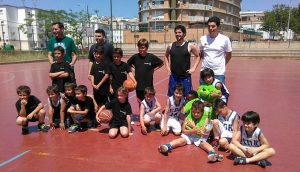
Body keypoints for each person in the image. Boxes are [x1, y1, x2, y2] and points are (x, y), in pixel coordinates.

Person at [158, 100, 224, 162]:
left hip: (199, 137)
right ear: (191, 111)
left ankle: (213, 153)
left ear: (202, 112)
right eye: (194, 112)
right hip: (189, 135)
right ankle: (167, 146)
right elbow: (183, 131)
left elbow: (202, 131)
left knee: (203, 143)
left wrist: (192, 126)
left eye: (198, 113)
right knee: (182, 140)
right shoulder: (187, 118)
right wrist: (192, 131)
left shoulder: (205, 119)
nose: (195, 114)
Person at [164, 25, 201, 97]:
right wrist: (168, 68)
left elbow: (198, 56)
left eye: (179, 32)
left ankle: (185, 108)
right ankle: (172, 108)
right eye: (176, 32)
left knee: (187, 96)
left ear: (184, 34)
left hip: (185, 77)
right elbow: (166, 56)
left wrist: (193, 68)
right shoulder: (170, 46)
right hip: (174, 76)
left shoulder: (189, 46)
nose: (177, 34)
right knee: (172, 95)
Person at [127, 38, 163, 104]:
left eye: (143, 48)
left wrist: (153, 69)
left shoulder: (151, 57)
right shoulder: (135, 57)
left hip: (148, 85)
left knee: (149, 102)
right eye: (139, 48)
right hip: (138, 85)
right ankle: (141, 114)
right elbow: (128, 64)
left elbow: (161, 63)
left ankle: (148, 114)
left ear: (147, 48)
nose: (141, 49)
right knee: (140, 103)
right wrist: (133, 69)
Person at [199, 16, 232, 84]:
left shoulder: (225, 39)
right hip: (205, 72)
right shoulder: (203, 39)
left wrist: (222, 64)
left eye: (213, 26)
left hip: (218, 73)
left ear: (218, 26)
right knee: (203, 94)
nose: (211, 28)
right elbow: (201, 54)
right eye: (209, 26)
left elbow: (229, 55)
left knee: (218, 94)